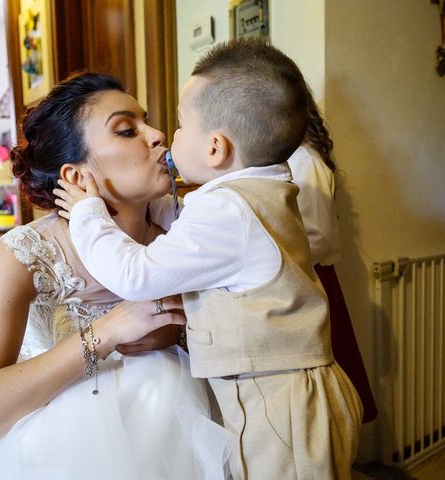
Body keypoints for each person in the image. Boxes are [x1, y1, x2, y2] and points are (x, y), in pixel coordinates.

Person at [0, 72, 232, 480]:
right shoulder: (25, 257)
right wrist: (109, 331)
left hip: (187, 427)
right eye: (126, 130)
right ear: (74, 176)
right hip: (61, 445)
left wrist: (180, 334)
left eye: (147, 121)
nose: (157, 135)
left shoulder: (188, 230)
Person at [55, 38, 362, 479]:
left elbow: (136, 275)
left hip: (281, 409)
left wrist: (88, 212)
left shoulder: (228, 211)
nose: (165, 135)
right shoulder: (260, 192)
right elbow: (193, 229)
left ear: (215, 149)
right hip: (294, 395)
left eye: (180, 126)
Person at [288, 86, 378, 424]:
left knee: (328, 375)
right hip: (305, 278)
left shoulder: (305, 161)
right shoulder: (290, 159)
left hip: (315, 280)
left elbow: (319, 238)